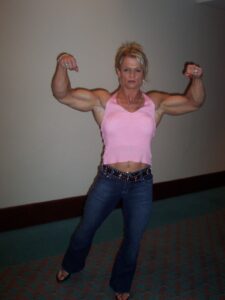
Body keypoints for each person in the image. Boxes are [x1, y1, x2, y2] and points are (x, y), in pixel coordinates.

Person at [51, 42, 205, 300]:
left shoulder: (155, 103)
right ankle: (71, 264)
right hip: (109, 180)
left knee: (133, 239)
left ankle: (122, 282)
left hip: (141, 183)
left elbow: (193, 102)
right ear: (118, 72)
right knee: (86, 229)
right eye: (127, 69)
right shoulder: (103, 101)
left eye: (137, 70)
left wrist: (198, 78)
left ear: (144, 74)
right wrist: (61, 64)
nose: (132, 75)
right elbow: (62, 93)